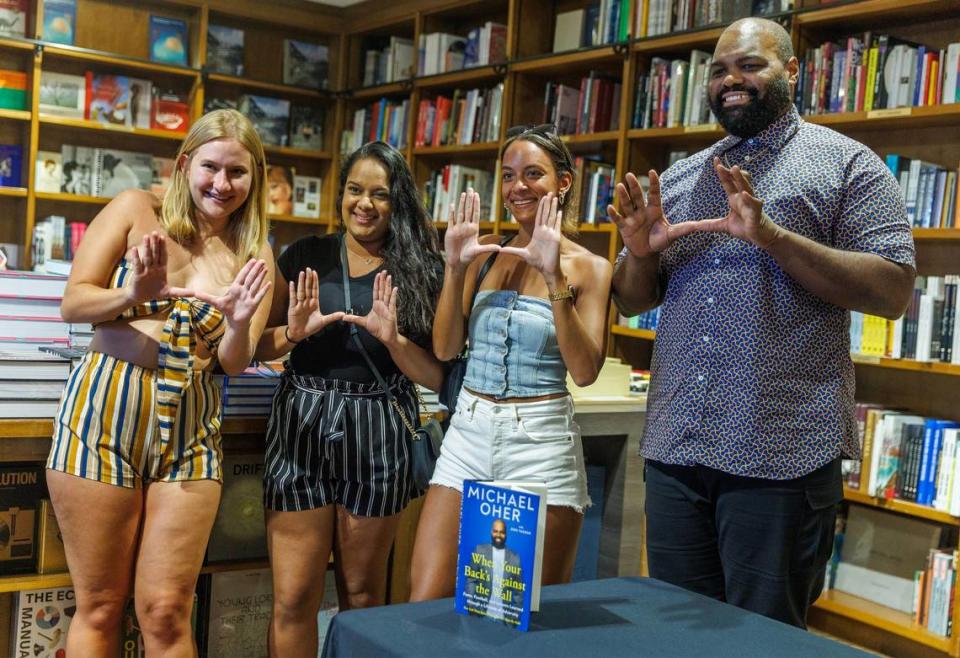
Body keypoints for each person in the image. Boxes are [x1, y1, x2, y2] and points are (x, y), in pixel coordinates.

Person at [609, 17, 916, 627]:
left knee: (762, 639)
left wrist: (771, 237)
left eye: (750, 66)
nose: (732, 81)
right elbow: (629, 299)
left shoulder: (846, 164)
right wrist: (640, 253)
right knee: (674, 632)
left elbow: (893, 289)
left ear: (793, 72)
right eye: (720, 70)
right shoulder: (679, 177)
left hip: (779, 455)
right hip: (677, 448)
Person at [47, 108, 274, 656]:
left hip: (192, 427)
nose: (222, 184)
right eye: (211, 167)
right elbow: (74, 302)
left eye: (238, 173)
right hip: (103, 410)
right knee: (100, 605)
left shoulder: (256, 252)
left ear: (254, 179)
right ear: (184, 164)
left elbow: (235, 362)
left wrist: (241, 322)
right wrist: (133, 294)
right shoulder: (134, 209)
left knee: (168, 610)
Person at [255, 141, 444, 658]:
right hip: (303, 420)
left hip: (379, 427)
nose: (364, 204)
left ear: (397, 201)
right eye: (355, 191)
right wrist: (291, 334)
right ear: (340, 195)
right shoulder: (304, 255)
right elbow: (257, 344)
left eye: (379, 194)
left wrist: (393, 341)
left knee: (363, 594)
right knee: (294, 597)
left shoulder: (424, 270)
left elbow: (436, 374)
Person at [409, 125, 613, 600]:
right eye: (508, 175)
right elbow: (443, 348)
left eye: (533, 174)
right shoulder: (486, 255)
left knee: (518, 608)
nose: (518, 186)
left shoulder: (591, 267)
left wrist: (551, 273)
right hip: (468, 432)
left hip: (539, 442)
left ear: (563, 182)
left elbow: (584, 370)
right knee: (425, 599)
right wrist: (455, 266)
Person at [464, 519, 524, 622]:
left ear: (506, 534)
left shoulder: (515, 558)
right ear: (491, 532)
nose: (498, 535)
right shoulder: (479, 550)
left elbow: (518, 591)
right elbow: (471, 579)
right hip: (481, 615)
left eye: (502, 532)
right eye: (496, 531)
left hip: (504, 619)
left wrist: (515, 616)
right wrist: (471, 604)